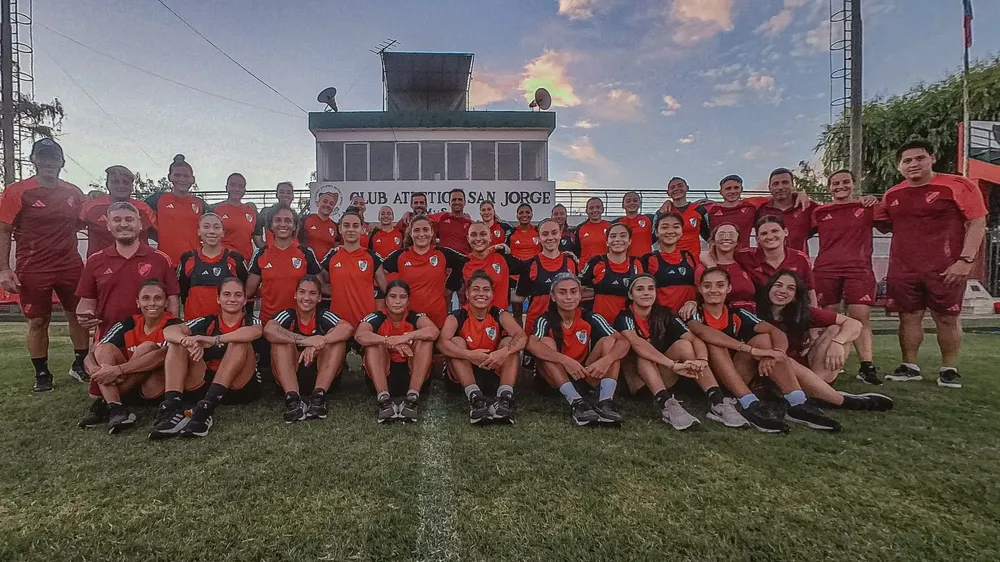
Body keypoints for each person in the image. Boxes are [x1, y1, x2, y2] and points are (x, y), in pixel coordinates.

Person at [876, 139, 987, 388]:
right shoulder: (893, 194)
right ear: (899, 167)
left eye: (919, 158)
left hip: (946, 266)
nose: (913, 164)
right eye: (907, 161)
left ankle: (949, 368)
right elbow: (881, 222)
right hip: (904, 267)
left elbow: (977, 222)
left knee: (946, 317)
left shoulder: (958, 185)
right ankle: (909, 366)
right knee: (908, 317)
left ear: (932, 158)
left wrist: (965, 260)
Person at [682, 268, 846, 432]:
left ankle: (797, 403)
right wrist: (752, 351)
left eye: (720, 285)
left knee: (764, 338)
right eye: (707, 286)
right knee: (715, 343)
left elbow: (776, 332)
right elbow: (702, 331)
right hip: (705, 377)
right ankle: (749, 404)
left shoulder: (736, 313)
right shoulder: (694, 311)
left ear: (729, 288)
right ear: (700, 289)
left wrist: (775, 354)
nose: (714, 290)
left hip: (735, 375)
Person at [0, 138, 92, 391]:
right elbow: (4, 229)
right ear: (34, 160)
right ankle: (42, 373)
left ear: (62, 162)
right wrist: (4, 269)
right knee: (38, 320)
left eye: (53, 158)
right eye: (43, 157)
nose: (49, 162)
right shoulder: (18, 191)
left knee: (79, 314)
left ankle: (81, 363)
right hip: (33, 266)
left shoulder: (73, 192)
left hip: (70, 263)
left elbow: (85, 221)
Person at [614, 273, 749, 430]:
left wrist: (702, 359)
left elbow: (694, 338)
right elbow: (638, 344)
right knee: (644, 355)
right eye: (640, 289)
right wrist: (672, 365)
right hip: (640, 382)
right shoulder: (624, 316)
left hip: (662, 376)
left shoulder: (663, 313)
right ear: (631, 294)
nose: (646, 293)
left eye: (651, 289)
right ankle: (667, 405)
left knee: (684, 345)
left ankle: (717, 401)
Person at [755, 271, 894, 416]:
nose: (783, 291)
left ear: (795, 296)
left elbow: (855, 324)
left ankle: (817, 393)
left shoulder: (802, 312)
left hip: (807, 374)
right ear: (769, 288)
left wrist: (837, 343)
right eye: (778, 285)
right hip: (771, 371)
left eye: (790, 288)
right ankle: (838, 400)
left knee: (837, 329)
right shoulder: (754, 311)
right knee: (782, 359)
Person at [150, 278, 262, 439]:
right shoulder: (208, 321)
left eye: (238, 295)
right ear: (218, 299)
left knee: (239, 340)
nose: (232, 299)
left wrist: (214, 339)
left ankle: (206, 408)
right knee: (177, 343)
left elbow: (256, 331)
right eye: (227, 294)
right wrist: (186, 341)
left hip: (240, 387)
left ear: (245, 300)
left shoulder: (250, 320)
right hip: (206, 383)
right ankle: (171, 407)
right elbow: (170, 330)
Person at [526, 274, 630, 425]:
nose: (569, 297)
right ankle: (576, 403)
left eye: (573, 292)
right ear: (553, 296)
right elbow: (531, 343)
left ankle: (605, 402)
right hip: (554, 379)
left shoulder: (590, 316)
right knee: (545, 342)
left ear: (580, 295)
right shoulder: (545, 318)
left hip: (584, 375)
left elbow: (623, 341)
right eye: (562, 292)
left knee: (609, 342)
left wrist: (606, 361)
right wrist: (565, 360)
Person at [79, 280, 182, 434]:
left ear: (166, 302)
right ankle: (116, 408)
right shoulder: (128, 323)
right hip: (126, 381)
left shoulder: (174, 324)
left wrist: (118, 370)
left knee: (147, 347)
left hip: (154, 387)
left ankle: (106, 402)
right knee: (103, 349)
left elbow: (162, 355)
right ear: (138, 302)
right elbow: (91, 355)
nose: (152, 303)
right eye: (146, 298)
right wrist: (96, 372)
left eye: (158, 298)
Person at [812, 169, 881, 384]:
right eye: (835, 183)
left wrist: (875, 200)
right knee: (829, 317)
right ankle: (830, 361)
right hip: (826, 269)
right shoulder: (819, 212)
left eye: (845, 182)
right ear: (829, 187)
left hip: (858, 269)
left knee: (859, 317)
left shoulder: (866, 207)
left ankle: (866, 365)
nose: (840, 186)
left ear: (854, 184)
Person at [437, 271, 528, 424]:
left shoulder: (499, 313)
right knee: (457, 341)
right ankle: (475, 400)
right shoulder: (456, 316)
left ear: (492, 294)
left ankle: (504, 399)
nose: (481, 293)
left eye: (486, 289)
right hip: (463, 373)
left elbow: (522, 336)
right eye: (476, 289)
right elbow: (441, 343)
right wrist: (468, 355)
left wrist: (503, 352)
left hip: (493, 368)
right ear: (467, 293)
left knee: (509, 343)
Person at [264, 275, 354, 422]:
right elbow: (269, 330)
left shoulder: (323, 315)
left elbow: (347, 328)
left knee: (336, 339)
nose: (307, 297)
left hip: (321, 376)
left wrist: (322, 341)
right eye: (302, 292)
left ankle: (318, 398)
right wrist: (306, 341)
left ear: (319, 298)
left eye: (312, 293)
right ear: (295, 294)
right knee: (280, 341)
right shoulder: (287, 314)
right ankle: (293, 400)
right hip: (292, 376)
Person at [354, 280, 440, 423]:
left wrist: (405, 337)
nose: (397, 301)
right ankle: (384, 400)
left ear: (408, 301)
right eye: (393, 297)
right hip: (384, 376)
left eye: (402, 297)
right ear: (386, 300)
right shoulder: (377, 316)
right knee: (373, 344)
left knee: (425, 341)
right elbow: (359, 335)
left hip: (411, 375)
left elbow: (433, 331)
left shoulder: (415, 317)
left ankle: (412, 398)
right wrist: (388, 341)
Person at [379, 216, 466, 328]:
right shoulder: (401, 256)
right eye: (416, 230)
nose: (421, 234)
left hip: (437, 318)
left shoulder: (442, 253)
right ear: (410, 233)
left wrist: (451, 285)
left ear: (432, 232)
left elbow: (465, 261)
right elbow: (378, 269)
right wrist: (390, 293)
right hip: (409, 320)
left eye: (425, 229)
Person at [247, 204, 322, 324]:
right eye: (278, 220)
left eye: (288, 220)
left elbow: (321, 287)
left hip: (299, 322)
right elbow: (248, 291)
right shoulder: (261, 254)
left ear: (294, 226)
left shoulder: (305, 253)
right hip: (269, 322)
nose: (283, 224)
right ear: (271, 225)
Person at [177, 213, 249, 320]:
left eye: (216, 227)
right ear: (198, 231)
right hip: (194, 327)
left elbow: (246, 290)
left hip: (227, 328)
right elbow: (180, 292)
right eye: (206, 227)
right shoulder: (187, 258)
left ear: (223, 232)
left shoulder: (235, 258)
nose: (211, 231)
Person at [319, 210, 383, 328]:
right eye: (346, 225)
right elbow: (318, 282)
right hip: (338, 324)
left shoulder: (372, 256)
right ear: (340, 229)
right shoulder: (332, 256)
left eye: (355, 226)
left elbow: (386, 289)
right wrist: (339, 290)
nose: (351, 229)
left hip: (366, 324)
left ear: (362, 229)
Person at [515, 218, 579, 331]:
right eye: (545, 234)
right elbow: (520, 297)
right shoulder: (531, 264)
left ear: (560, 235)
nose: (550, 238)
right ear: (539, 238)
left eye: (554, 233)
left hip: (564, 326)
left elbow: (577, 293)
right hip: (535, 325)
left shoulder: (571, 262)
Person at [736, 215, 816, 304]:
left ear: (785, 232)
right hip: (755, 313)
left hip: (790, 312)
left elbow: (810, 291)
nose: (770, 236)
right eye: (764, 233)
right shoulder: (743, 256)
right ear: (757, 239)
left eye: (775, 231)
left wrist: (814, 315)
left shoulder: (800, 258)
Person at [79, 165, 156, 256]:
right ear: (107, 184)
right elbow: (71, 228)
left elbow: (159, 235)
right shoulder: (92, 206)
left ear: (132, 186)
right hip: (100, 266)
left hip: (138, 266)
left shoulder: (144, 208)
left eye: (125, 182)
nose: (121, 186)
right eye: (115, 182)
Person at [145, 154, 206, 266]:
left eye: (186, 176)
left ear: (192, 179)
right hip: (165, 262)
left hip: (194, 263)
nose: (182, 179)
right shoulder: (157, 199)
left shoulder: (200, 203)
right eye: (177, 175)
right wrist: (159, 236)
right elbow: (140, 219)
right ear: (170, 177)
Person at [579, 223, 644, 322]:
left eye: (623, 236)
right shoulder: (596, 262)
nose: (617, 239)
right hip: (600, 324)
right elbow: (577, 288)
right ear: (607, 242)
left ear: (630, 241)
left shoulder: (636, 263)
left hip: (628, 324)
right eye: (613, 236)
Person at [640, 213, 697, 312]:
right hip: (662, 318)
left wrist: (694, 302)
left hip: (689, 315)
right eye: (665, 227)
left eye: (676, 227)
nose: (670, 231)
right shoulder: (649, 259)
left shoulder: (689, 257)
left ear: (681, 231)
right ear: (657, 232)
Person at [697, 224, 756, 311]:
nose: (726, 237)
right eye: (721, 234)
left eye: (732, 234)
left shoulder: (744, 263)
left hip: (750, 314)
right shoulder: (704, 267)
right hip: (723, 316)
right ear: (713, 241)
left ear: (737, 242)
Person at [463, 222, 520, 311]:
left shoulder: (502, 258)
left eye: (483, 234)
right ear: (468, 238)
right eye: (473, 235)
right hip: (473, 320)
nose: (478, 238)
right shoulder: (463, 262)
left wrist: (522, 294)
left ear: (490, 237)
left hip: (499, 319)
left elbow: (527, 268)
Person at [701, 175, 766, 249]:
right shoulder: (711, 209)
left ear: (741, 189)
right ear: (721, 192)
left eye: (736, 188)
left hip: (743, 255)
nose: (732, 191)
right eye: (728, 188)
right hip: (718, 256)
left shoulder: (751, 207)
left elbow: (773, 198)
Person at [655, 177, 710, 261]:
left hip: (693, 260)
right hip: (668, 260)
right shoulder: (662, 212)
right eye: (672, 187)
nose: (676, 189)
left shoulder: (699, 210)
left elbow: (709, 235)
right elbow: (653, 236)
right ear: (668, 193)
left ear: (687, 188)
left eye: (680, 185)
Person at [212, 172, 257, 260]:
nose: (236, 189)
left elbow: (257, 238)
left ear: (244, 190)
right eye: (233, 185)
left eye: (240, 186)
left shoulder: (252, 211)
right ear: (226, 187)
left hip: (245, 261)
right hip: (222, 260)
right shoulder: (216, 209)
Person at [299, 187, 339, 262]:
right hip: (308, 266)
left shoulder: (335, 226)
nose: (327, 205)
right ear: (318, 203)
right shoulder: (305, 220)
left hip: (326, 268)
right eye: (325, 201)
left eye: (331, 204)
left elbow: (336, 248)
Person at [429, 188, 473, 254]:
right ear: (449, 203)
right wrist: (408, 214)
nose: (457, 202)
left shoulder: (470, 223)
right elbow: (422, 218)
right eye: (454, 200)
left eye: (460, 199)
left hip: (463, 260)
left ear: (465, 202)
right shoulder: (441, 217)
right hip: (445, 260)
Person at [254, 181, 296, 249]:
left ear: (293, 196)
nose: (285, 195)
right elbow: (257, 234)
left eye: (289, 192)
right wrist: (264, 250)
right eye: (282, 192)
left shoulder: (296, 216)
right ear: (277, 195)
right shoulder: (266, 212)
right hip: (270, 256)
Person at [613, 191, 655, 257]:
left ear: (640, 204)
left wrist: (668, 202)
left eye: (635, 200)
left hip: (645, 261)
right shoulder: (617, 222)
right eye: (628, 201)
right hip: (625, 262)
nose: (632, 203)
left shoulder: (649, 219)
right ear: (623, 205)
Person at [575, 197, 612, 265]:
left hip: (606, 268)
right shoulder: (580, 228)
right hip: (585, 270)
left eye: (598, 207)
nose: (594, 210)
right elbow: (577, 251)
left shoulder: (611, 227)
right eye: (591, 208)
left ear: (602, 209)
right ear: (586, 211)